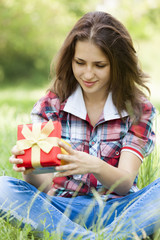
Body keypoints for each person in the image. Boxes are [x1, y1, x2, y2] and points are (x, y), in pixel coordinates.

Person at [0, 11, 159, 240]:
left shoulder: (137, 110)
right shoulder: (52, 105)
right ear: (70, 60)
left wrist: (95, 166)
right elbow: (44, 186)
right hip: (63, 210)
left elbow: (124, 184)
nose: (88, 74)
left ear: (118, 64)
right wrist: (30, 168)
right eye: (80, 63)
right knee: (3, 187)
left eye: (100, 65)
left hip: (120, 209)